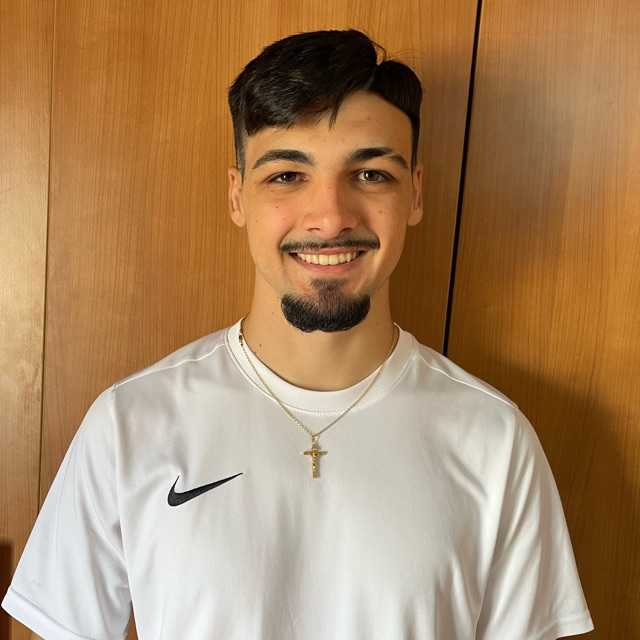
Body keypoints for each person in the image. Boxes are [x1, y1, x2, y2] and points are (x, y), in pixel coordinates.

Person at [2, 29, 594, 640]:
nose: (330, 217)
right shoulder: (131, 422)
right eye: (287, 175)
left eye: (371, 174)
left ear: (415, 193)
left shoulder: (494, 439)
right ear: (238, 196)